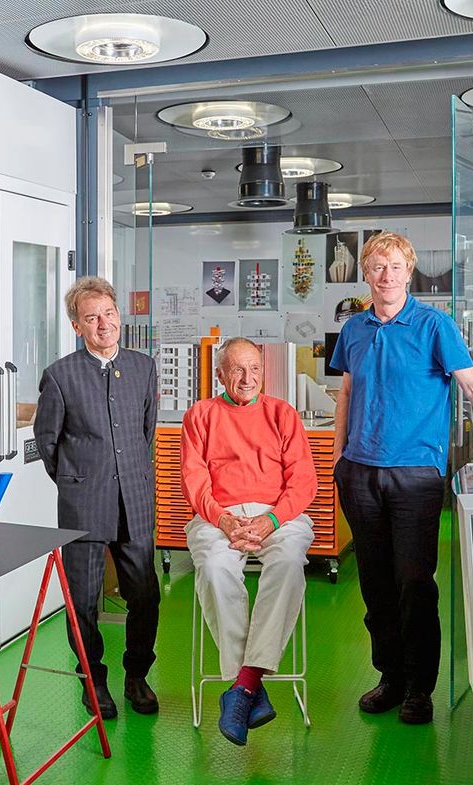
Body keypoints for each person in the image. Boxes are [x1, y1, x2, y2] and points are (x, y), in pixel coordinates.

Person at [330, 231, 473, 725]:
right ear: (365, 274)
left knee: (414, 583)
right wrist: (338, 460)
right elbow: (346, 393)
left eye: (394, 266)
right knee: (375, 586)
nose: (385, 275)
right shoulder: (354, 330)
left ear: (409, 272)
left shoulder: (435, 325)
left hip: (416, 476)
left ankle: (419, 687)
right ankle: (389, 677)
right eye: (376, 266)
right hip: (361, 473)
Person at [33, 276, 161, 719]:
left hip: (136, 502)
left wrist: (128, 476)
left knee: (145, 596)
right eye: (92, 318)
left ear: (119, 318)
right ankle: (94, 681)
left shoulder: (143, 367)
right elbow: (48, 443)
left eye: (109, 314)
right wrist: (78, 481)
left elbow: (146, 432)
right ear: (77, 325)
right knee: (83, 601)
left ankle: (137, 675)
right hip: (83, 505)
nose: (103, 324)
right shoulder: (60, 375)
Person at [181, 337, 317, 746]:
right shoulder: (200, 415)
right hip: (217, 515)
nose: (247, 378)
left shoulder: (282, 414)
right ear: (220, 374)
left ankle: (242, 686)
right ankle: (249, 687)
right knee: (214, 567)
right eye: (237, 369)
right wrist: (223, 519)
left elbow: (303, 480)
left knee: (290, 562)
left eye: (255, 369)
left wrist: (271, 519)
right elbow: (194, 480)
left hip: (278, 514)